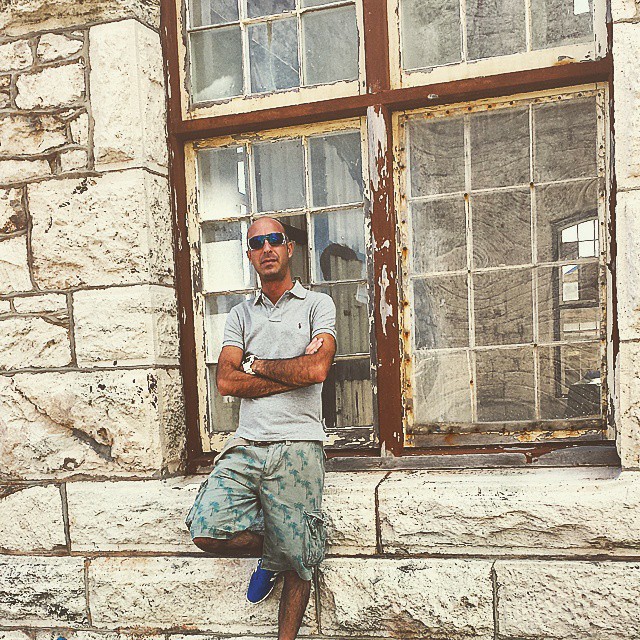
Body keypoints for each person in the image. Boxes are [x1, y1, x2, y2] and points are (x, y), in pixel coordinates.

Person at [185, 216, 336, 640]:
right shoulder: (240, 314)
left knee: (300, 562)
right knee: (205, 528)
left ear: (289, 248)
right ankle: (278, 550)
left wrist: (255, 364)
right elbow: (226, 381)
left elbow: (317, 369)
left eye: (274, 240)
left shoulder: (317, 305)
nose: (266, 248)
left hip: (299, 443)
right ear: (249, 255)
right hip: (248, 444)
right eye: (256, 243)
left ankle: (285, 566)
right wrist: (292, 371)